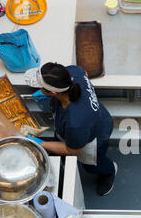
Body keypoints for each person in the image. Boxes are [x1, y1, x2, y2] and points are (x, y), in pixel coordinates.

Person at [24, 62, 117, 196]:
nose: (39, 88)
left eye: (41, 87)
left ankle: (109, 171)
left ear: (54, 92)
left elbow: (72, 149)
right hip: (88, 121)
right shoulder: (73, 72)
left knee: (91, 166)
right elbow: (83, 72)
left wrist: (40, 143)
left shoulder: (76, 122)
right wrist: (46, 93)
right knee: (58, 146)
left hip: (95, 135)